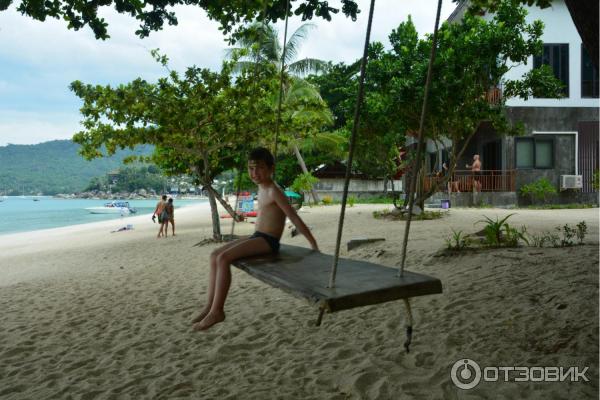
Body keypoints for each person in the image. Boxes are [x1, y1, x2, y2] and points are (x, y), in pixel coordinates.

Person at [192, 147, 319, 331]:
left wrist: (312, 242)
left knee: (223, 258)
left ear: (271, 168)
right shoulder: (261, 188)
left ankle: (218, 310)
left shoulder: (274, 191)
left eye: (259, 168)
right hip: (257, 236)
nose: (254, 173)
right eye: (251, 168)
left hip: (268, 241)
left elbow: (294, 217)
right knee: (214, 255)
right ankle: (209, 306)